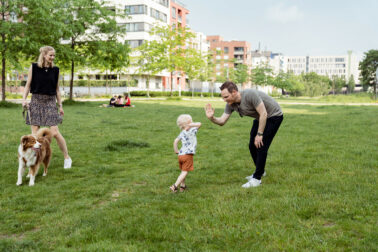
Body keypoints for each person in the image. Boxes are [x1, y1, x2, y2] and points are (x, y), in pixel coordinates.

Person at [204, 81, 283, 188]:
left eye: (226, 97)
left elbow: (264, 113)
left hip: (273, 116)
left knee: (261, 145)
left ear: (234, 92)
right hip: (260, 117)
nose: (224, 100)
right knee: (252, 145)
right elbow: (222, 121)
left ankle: (257, 179)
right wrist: (212, 118)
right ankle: (261, 170)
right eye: (223, 97)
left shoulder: (250, 95)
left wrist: (259, 134)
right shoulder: (231, 104)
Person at [22, 46, 72, 169]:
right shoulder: (33, 68)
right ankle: (35, 161)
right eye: (50, 55)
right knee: (35, 134)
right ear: (44, 55)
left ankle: (67, 158)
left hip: (50, 102)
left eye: (54, 55)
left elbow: (57, 90)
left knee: (54, 132)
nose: (52, 57)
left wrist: (60, 105)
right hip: (36, 101)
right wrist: (24, 99)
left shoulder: (55, 70)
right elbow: (28, 85)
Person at [170, 114, 201, 192]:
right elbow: (199, 124)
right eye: (191, 121)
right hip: (188, 155)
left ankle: (182, 186)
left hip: (180, 155)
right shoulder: (192, 130)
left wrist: (176, 150)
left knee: (183, 170)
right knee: (185, 172)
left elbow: (175, 141)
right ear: (189, 122)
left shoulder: (182, 132)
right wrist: (190, 124)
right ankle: (174, 186)